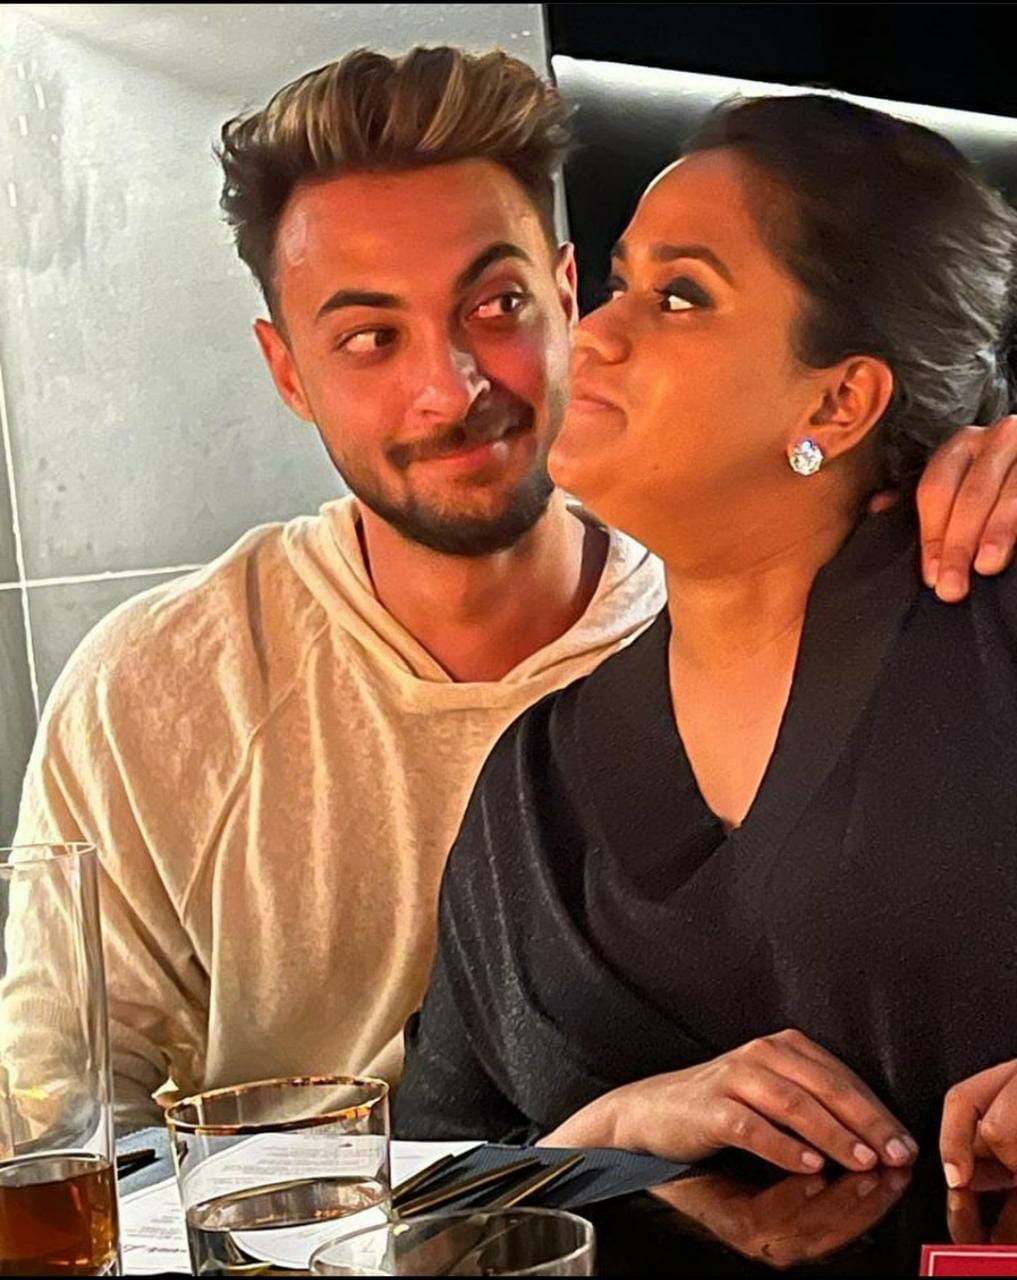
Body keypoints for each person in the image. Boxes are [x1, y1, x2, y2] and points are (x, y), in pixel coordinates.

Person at [5, 49, 1017, 1128]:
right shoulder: (191, 698)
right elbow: (51, 1118)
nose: (451, 388)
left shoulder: (945, 610)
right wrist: (594, 1145)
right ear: (288, 370)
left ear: (560, 293)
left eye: (498, 305)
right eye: (369, 337)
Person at [394, 92, 1017, 1194]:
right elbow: (428, 1191)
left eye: (679, 296)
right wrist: (612, 1130)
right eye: (617, 283)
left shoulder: (992, 644)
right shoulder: (538, 783)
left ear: (837, 403)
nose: (591, 332)